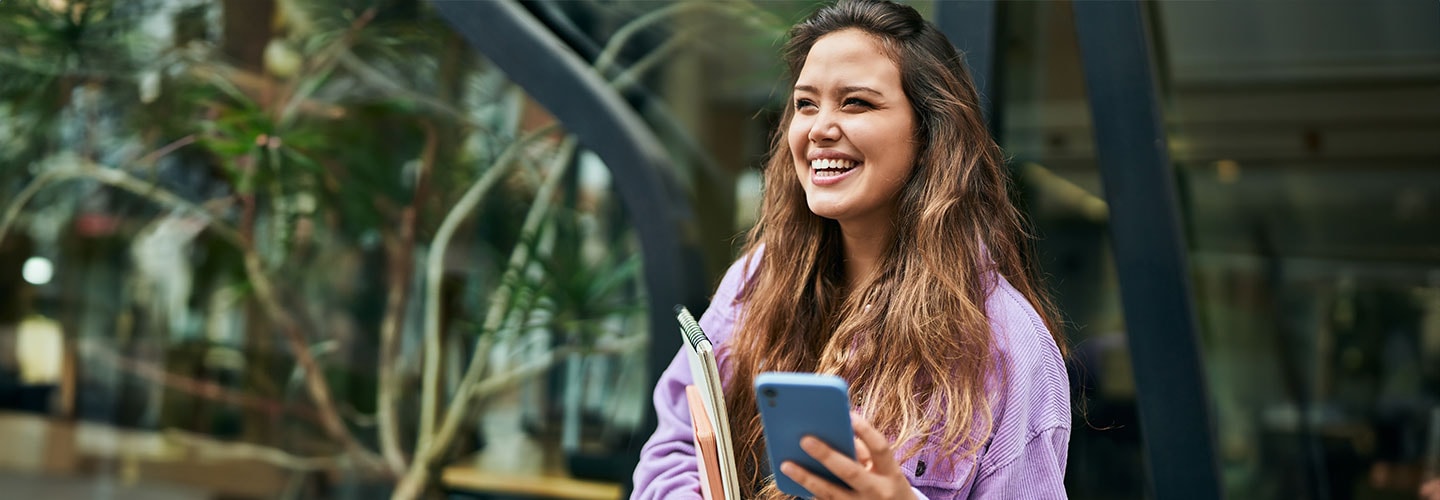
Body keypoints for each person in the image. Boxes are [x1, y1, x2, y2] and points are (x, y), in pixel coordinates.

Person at [632, 0, 1070, 498]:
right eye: (806, 103)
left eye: (856, 102)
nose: (819, 128)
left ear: (930, 134)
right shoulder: (755, 282)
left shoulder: (1008, 343)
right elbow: (673, 452)